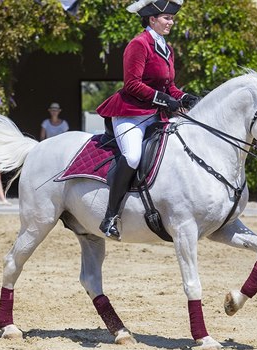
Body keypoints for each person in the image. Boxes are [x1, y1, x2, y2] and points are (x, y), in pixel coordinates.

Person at [95, 0, 198, 240]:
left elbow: (169, 85)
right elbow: (132, 85)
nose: (171, 22)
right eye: (167, 18)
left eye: (172, 19)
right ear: (152, 19)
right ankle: (110, 216)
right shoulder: (139, 44)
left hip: (155, 114)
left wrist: (184, 97)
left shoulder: (166, 48)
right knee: (132, 156)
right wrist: (165, 100)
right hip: (130, 113)